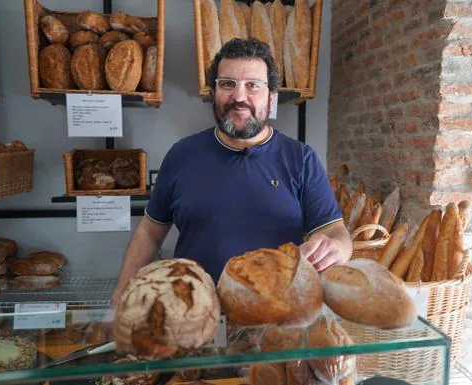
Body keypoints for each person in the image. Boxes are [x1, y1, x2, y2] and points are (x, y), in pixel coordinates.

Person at [111, 38, 351, 304]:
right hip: (198, 315)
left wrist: (337, 247)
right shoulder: (181, 155)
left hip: (277, 317)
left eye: (253, 86)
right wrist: (120, 298)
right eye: (227, 84)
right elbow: (149, 233)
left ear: (270, 97)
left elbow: (336, 232)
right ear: (213, 93)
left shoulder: (300, 159)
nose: (239, 97)